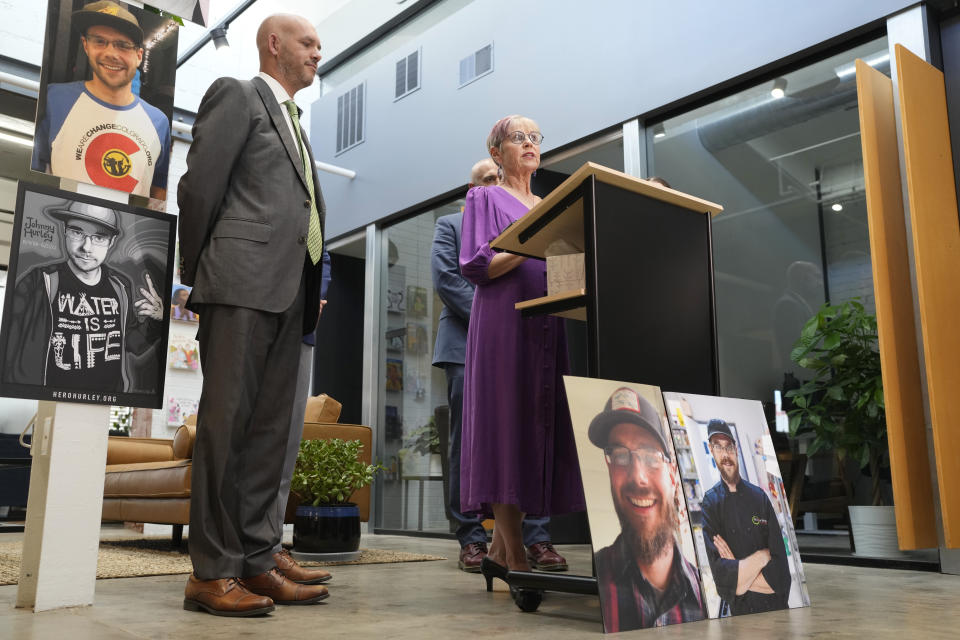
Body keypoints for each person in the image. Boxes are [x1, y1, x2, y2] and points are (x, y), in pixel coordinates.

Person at [177, 13, 329, 616]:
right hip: (238, 285)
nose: (319, 52)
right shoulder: (237, 96)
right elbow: (199, 188)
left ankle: (256, 560)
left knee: (270, 436)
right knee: (226, 428)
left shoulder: (297, 124)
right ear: (274, 44)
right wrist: (203, 271)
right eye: (309, 42)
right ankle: (210, 573)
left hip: (292, 295)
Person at [459, 115, 585, 608]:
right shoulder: (484, 198)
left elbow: (564, 274)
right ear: (497, 152)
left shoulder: (550, 207)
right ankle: (515, 561)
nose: (530, 144)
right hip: (503, 328)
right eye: (519, 138)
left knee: (537, 431)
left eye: (536, 138)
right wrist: (532, 241)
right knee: (507, 432)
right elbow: (477, 264)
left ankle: (495, 552)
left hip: (547, 327)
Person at [431, 158, 567, 573]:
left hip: (529, 336)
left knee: (531, 432)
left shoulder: (535, 211)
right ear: (471, 191)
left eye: (497, 178)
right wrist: (496, 320)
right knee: (473, 442)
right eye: (486, 181)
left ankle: (531, 539)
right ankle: (472, 538)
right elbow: (449, 280)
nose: (495, 186)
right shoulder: (452, 226)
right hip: (469, 342)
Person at [2, 200, 163, 394]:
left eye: (99, 237)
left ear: (111, 242)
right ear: (65, 231)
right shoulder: (37, 282)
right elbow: (9, 346)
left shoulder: (120, 285)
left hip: (106, 400)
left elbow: (131, 342)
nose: (87, 247)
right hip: (49, 399)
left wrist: (157, 320)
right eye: (77, 232)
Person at [588, 387, 707, 631]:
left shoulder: (710, 595)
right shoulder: (594, 583)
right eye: (620, 455)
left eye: (652, 456)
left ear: (673, 477)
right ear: (609, 468)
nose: (638, 477)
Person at [32, 1, 172, 200]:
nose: (110, 54)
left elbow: (159, 191)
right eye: (99, 41)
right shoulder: (54, 99)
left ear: (139, 56)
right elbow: (35, 173)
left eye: (122, 45)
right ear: (85, 45)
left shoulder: (159, 122)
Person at [700, 418, 791, 616]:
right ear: (711, 450)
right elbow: (723, 581)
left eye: (729, 447)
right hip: (742, 616)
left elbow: (782, 575)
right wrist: (761, 557)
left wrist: (739, 573)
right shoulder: (710, 503)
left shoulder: (760, 497)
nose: (725, 454)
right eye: (718, 447)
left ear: (737, 449)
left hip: (777, 610)